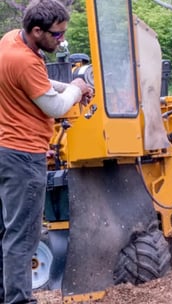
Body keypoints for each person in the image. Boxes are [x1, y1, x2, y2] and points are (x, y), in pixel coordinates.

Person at [0, 0, 92, 303]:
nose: (61, 39)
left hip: (5, 150)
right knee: (23, 236)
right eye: (56, 34)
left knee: (7, 230)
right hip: (23, 155)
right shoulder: (25, 60)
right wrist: (76, 89)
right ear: (36, 30)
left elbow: (35, 84)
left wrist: (67, 85)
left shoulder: (11, 41)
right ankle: (19, 300)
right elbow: (53, 106)